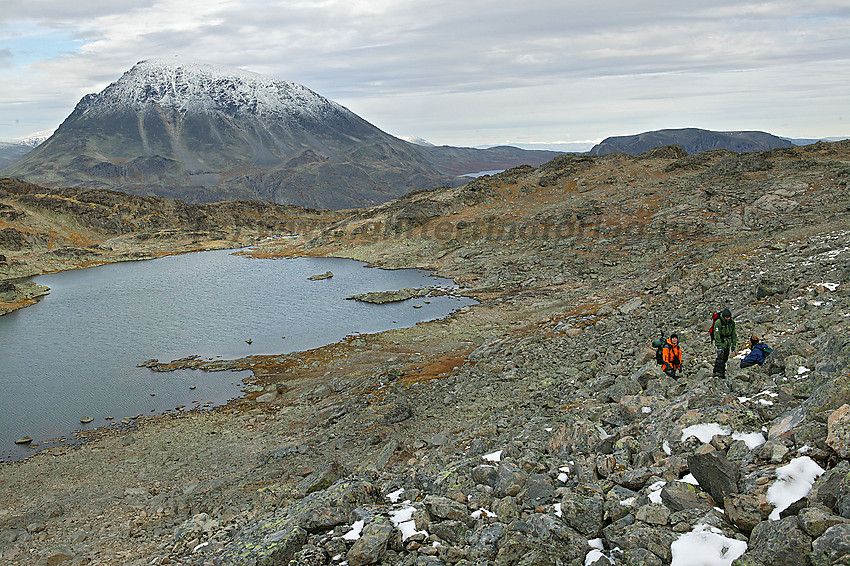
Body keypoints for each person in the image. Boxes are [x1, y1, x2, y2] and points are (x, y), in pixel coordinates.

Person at [712, 308, 737, 377]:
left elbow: (733, 333)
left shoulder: (731, 322)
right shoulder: (718, 323)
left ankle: (722, 372)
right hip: (722, 342)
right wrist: (719, 346)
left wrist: (733, 343)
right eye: (726, 317)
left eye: (729, 317)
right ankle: (716, 372)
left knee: (725, 357)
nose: (728, 318)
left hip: (728, 342)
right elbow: (716, 335)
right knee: (720, 357)